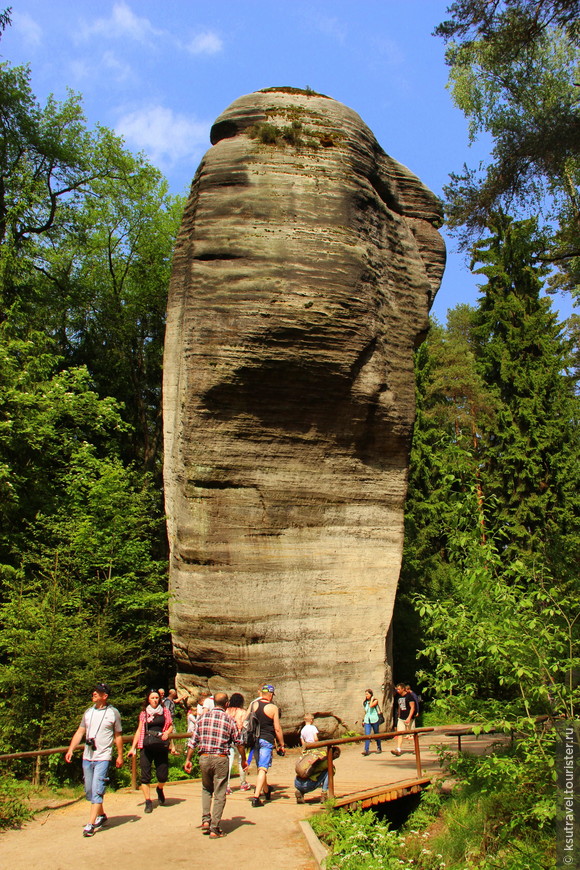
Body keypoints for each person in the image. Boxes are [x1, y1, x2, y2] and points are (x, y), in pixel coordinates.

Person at [184, 691, 247, 839]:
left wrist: (188, 759)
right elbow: (239, 743)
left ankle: (206, 820)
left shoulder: (203, 718)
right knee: (219, 792)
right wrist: (243, 759)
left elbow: (193, 741)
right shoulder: (228, 720)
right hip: (220, 758)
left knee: (206, 789)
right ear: (226, 704)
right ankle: (215, 828)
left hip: (204, 757)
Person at [65, 682, 123, 838]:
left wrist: (119, 755)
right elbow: (80, 732)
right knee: (89, 791)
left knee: (97, 789)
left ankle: (90, 824)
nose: (94, 693)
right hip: (87, 756)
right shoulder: (88, 713)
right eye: (94, 691)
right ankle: (101, 815)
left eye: (98, 692)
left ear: (105, 696)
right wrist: (71, 749)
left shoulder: (113, 713)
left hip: (103, 757)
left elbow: (118, 735)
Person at [127, 689, 173, 812]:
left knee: (162, 775)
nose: (155, 700)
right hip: (146, 745)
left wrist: (167, 733)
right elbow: (139, 730)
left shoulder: (165, 711)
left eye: (156, 698)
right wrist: (133, 748)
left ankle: (159, 788)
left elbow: (170, 725)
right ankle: (148, 801)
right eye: (152, 698)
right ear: (148, 699)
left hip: (161, 744)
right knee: (145, 776)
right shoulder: (144, 713)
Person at [248, 683, 285, 808]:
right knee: (263, 768)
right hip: (266, 740)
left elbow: (247, 719)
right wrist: (282, 744)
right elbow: (277, 728)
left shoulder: (253, 705)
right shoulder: (273, 708)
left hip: (255, 740)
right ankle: (256, 797)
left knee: (260, 767)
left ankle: (266, 790)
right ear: (270, 694)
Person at [226, 692, 251, 793]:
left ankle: (226, 785)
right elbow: (246, 726)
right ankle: (243, 783)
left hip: (228, 738)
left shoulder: (226, 711)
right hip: (240, 738)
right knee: (242, 760)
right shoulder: (243, 712)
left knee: (228, 761)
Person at [391, 683, 417, 756]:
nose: (398, 690)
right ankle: (398, 749)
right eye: (397, 689)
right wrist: (398, 715)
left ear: (403, 689)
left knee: (413, 734)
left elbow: (412, 707)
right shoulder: (398, 697)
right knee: (400, 733)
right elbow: (399, 707)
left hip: (410, 718)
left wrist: (409, 717)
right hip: (401, 718)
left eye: (399, 689)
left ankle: (416, 748)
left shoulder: (409, 697)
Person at [362, 688, 382, 755]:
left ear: (371, 694)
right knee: (367, 735)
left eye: (367, 694)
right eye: (365, 694)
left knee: (376, 734)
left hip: (374, 719)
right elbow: (366, 712)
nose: (366, 695)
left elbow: (371, 706)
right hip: (367, 720)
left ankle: (379, 747)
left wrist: (372, 699)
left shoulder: (375, 701)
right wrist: (363, 720)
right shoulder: (365, 702)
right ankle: (366, 750)